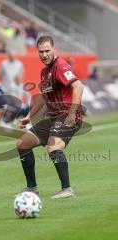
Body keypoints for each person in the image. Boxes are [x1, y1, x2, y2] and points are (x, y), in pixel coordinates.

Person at [16, 35, 84, 199]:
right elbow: (44, 98)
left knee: (53, 147)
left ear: (54, 50)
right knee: (22, 143)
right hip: (55, 116)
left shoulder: (60, 66)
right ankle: (32, 188)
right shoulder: (45, 71)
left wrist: (73, 113)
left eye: (47, 51)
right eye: (41, 52)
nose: (44, 55)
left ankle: (67, 190)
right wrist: (28, 116)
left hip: (68, 115)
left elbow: (78, 86)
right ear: (37, 52)